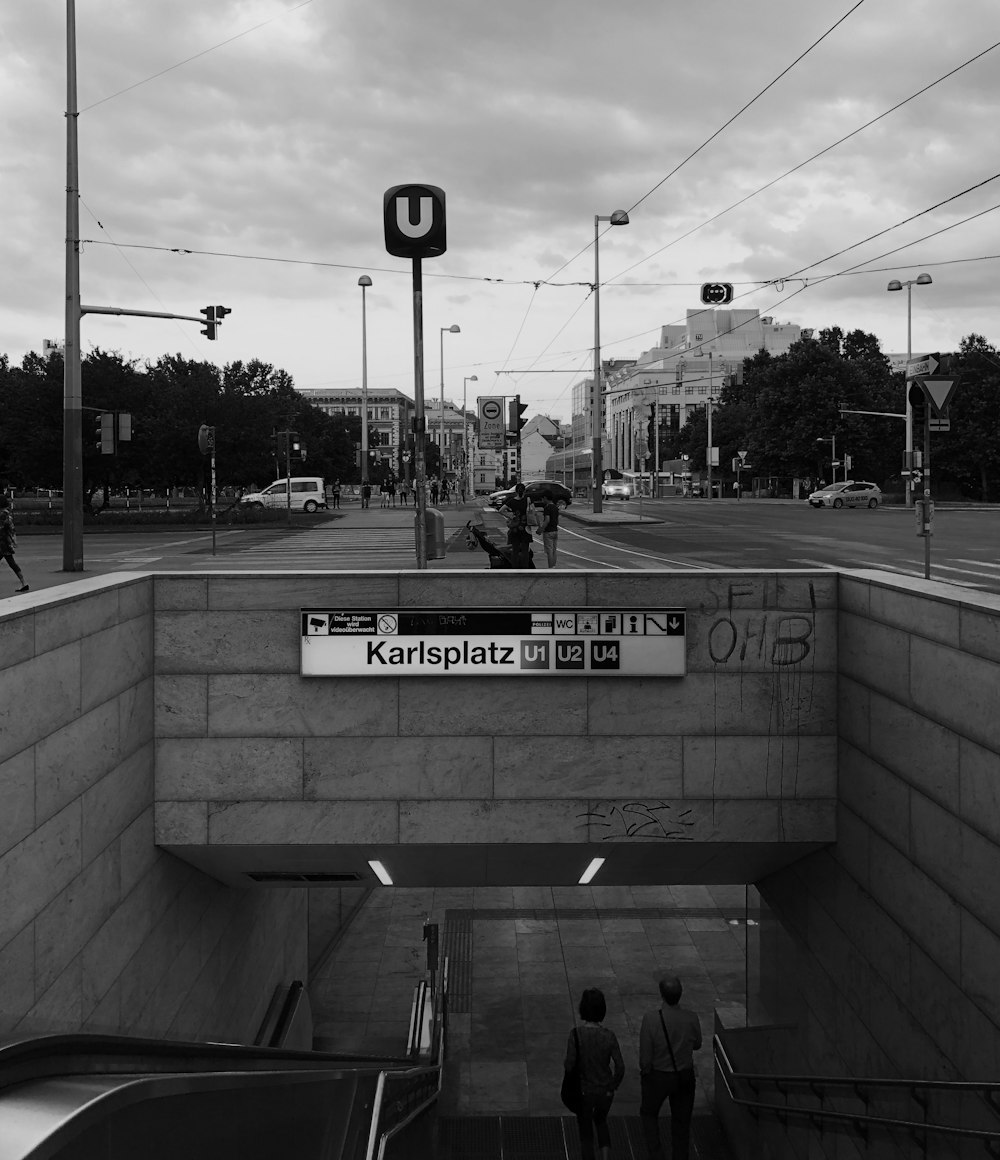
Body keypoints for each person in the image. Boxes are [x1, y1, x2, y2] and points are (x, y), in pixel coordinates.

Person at [639, 975, 702, 1160]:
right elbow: (697, 1044)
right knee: (682, 1123)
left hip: (658, 1076)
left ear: (662, 995)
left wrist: (645, 1072)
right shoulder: (691, 1018)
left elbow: (645, 1057)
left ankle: (657, 1154)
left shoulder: (651, 1020)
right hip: (684, 1075)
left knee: (649, 1114)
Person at [564, 987, 624, 1160]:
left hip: (584, 1091)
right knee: (601, 1121)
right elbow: (620, 1066)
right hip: (604, 1091)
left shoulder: (575, 1035)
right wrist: (612, 1086)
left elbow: (570, 1065)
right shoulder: (609, 1036)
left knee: (585, 1131)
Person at [501, 482, 534, 569]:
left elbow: (501, 510)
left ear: (515, 491)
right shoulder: (528, 500)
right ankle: (525, 568)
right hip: (525, 528)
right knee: (525, 550)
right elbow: (533, 511)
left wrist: (511, 516)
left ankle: (514, 568)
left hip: (515, 528)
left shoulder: (512, 501)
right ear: (524, 491)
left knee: (515, 550)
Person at [0, 495, 29, 593]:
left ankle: (24, 583)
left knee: (12, 563)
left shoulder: (2, 515)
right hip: (5, 543)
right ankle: (24, 583)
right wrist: (13, 541)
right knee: (12, 563)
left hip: (2, 544)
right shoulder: (8, 515)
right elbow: (12, 529)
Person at [539, 494, 559, 568]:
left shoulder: (547, 508)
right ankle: (554, 566)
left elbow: (547, 520)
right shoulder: (555, 507)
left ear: (545, 498)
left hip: (548, 532)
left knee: (549, 551)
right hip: (555, 530)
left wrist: (541, 529)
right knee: (554, 550)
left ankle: (550, 568)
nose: (542, 500)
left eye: (542, 499)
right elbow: (557, 520)